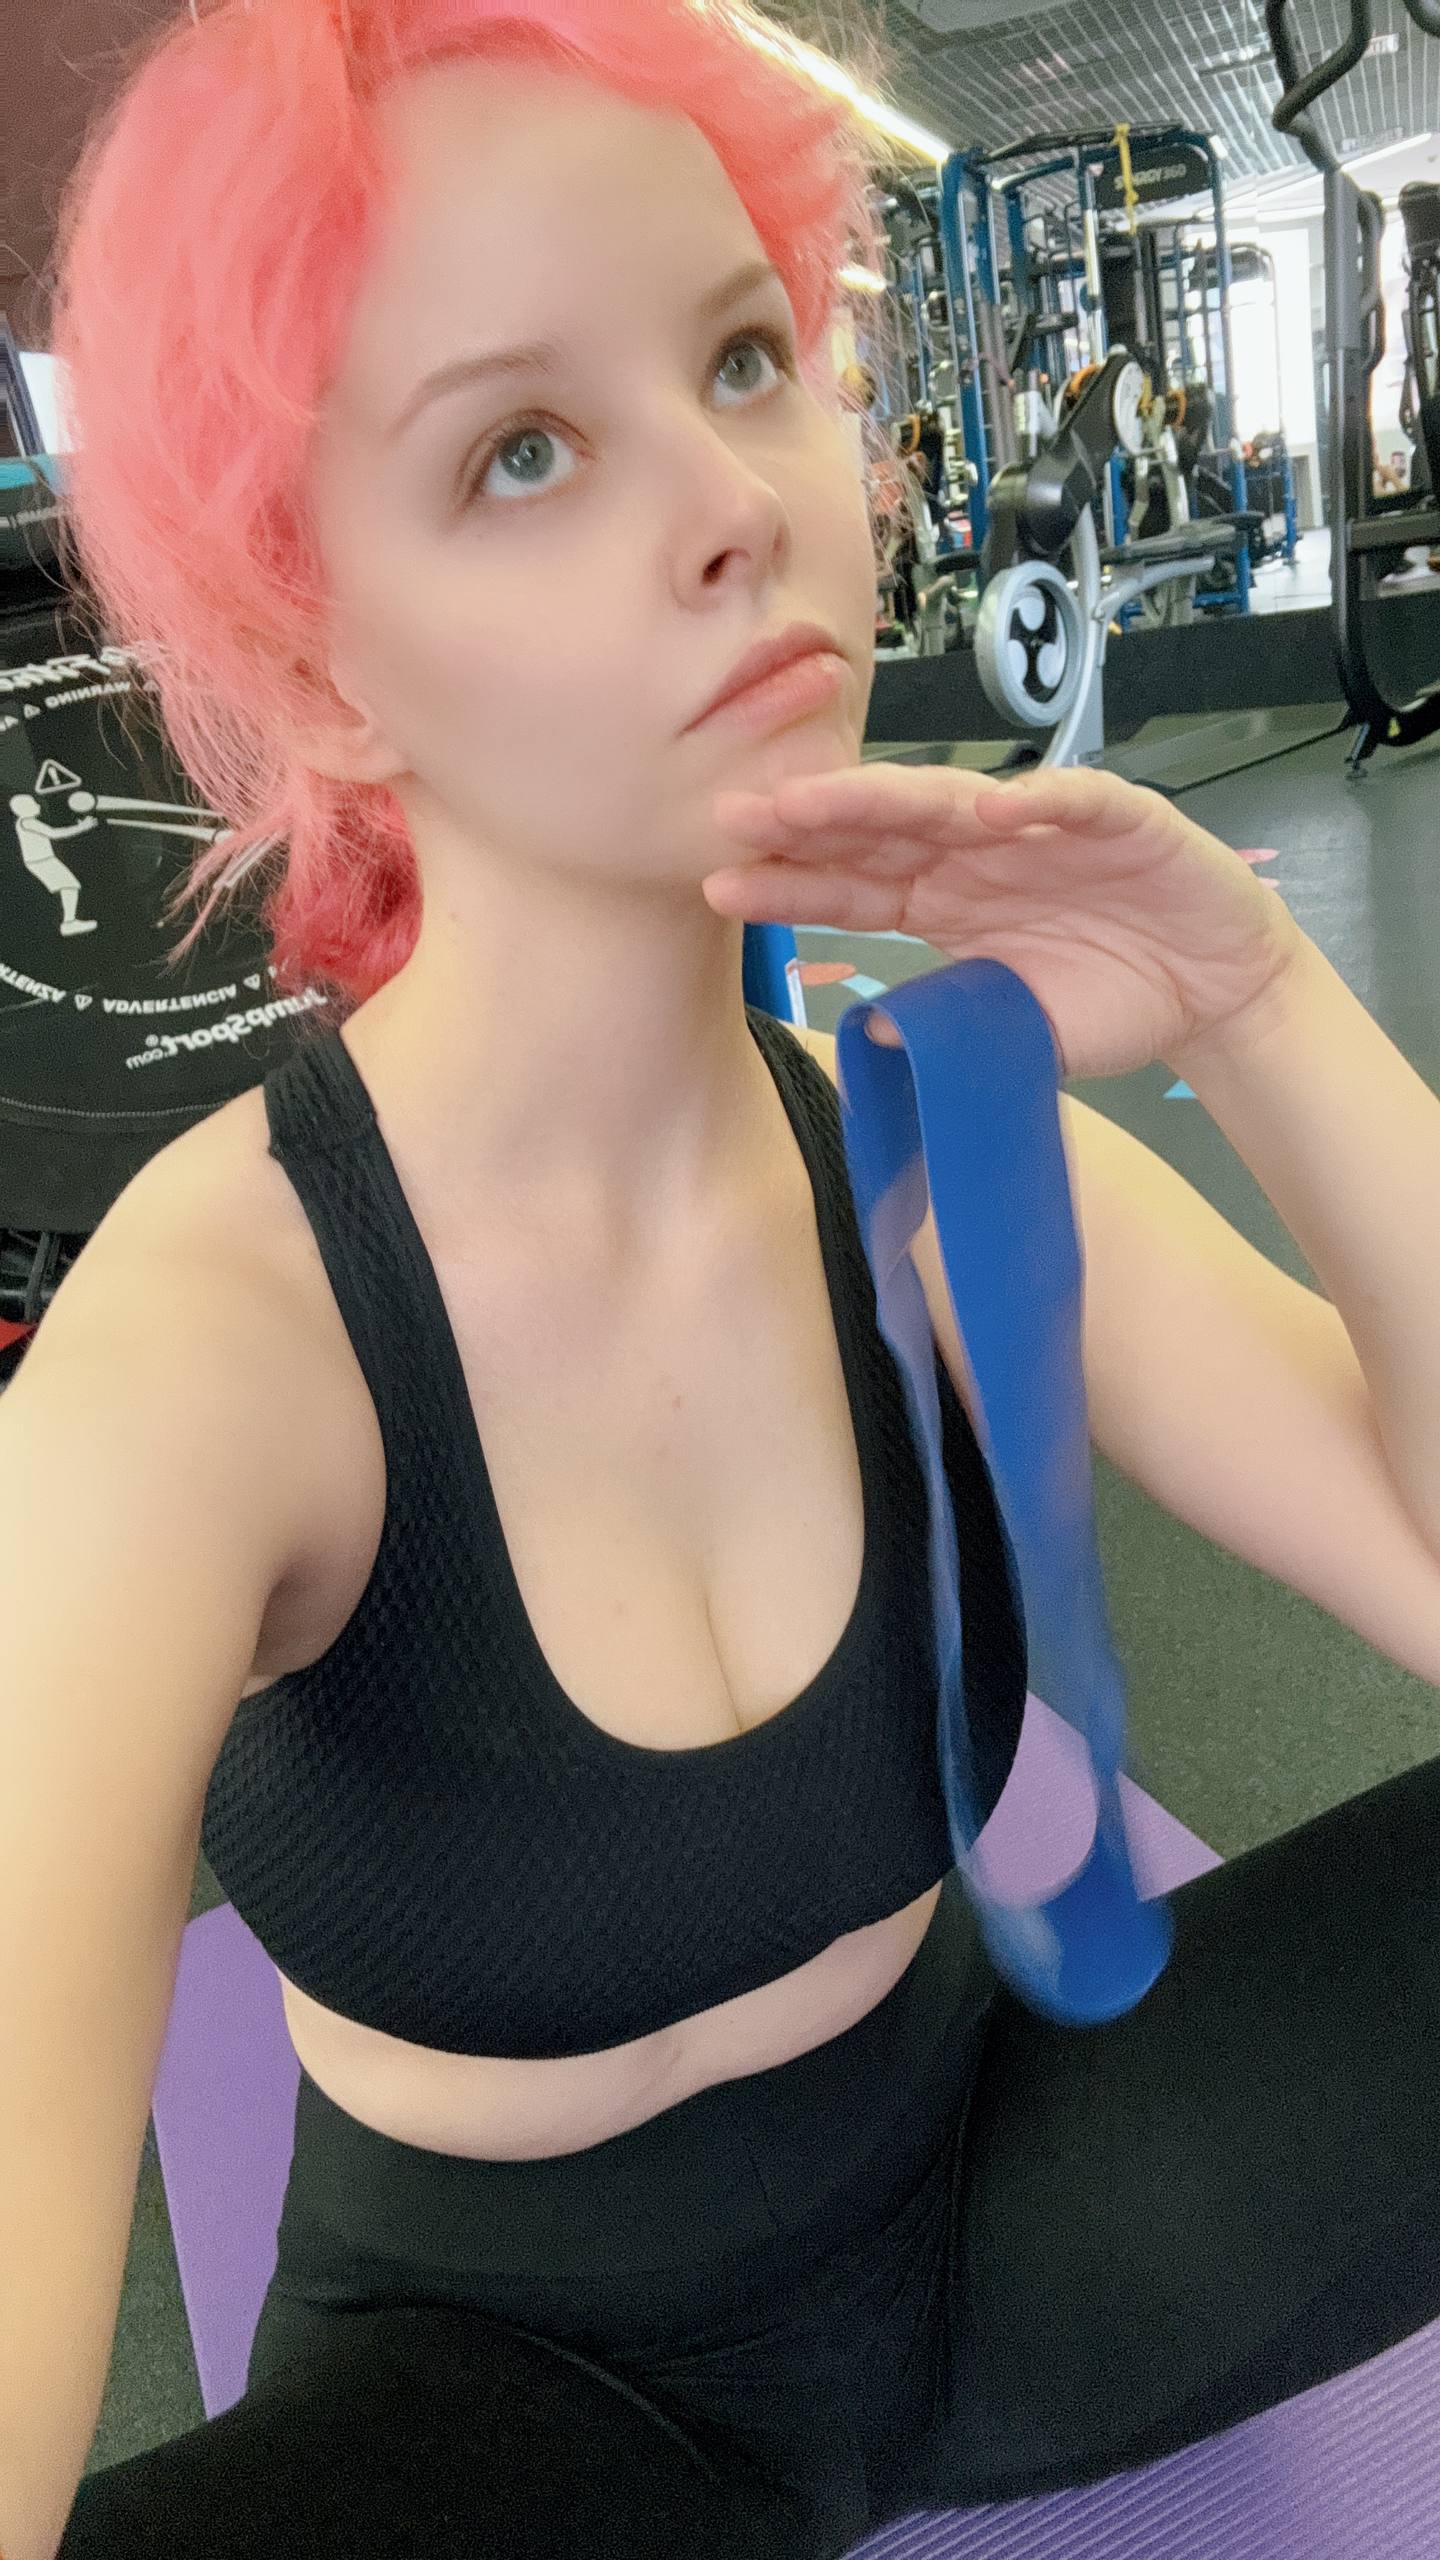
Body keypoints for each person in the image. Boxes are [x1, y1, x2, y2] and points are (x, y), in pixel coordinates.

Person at [12, 3, 1439, 2555]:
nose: (726, 502)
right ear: (329, 659)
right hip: (509, 2394)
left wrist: (1261, 1000)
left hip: (1005, 2211)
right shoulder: (209, 1353)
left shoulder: (935, 1133)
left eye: (745, 358)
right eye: (520, 450)